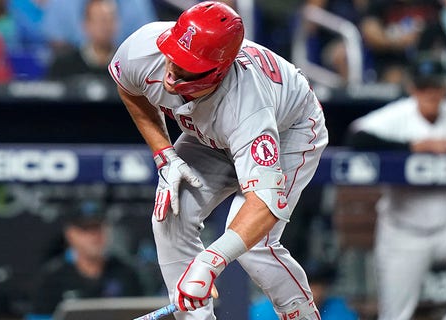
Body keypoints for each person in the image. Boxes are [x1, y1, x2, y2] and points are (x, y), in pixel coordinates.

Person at [108, 2, 329, 319]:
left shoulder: (247, 108)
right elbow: (129, 87)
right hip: (211, 129)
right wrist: (165, 155)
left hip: (288, 127)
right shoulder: (146, 47)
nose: (171, 71)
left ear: (218, 70)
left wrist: (209, 261)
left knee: (255, 246)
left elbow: (264, 205)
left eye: (186, 66)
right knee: (171, 211)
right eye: (173, 54)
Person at [345, 57, 446, 320]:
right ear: (413, 88)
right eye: (423, 86)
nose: (429, 93)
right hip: (404, 232)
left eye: (435, 86)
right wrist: (414, 147)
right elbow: (356, 137)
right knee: (395, 316)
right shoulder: (400, 114)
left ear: (444, 88)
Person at [29, 200, 145, 317]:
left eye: (97, 228)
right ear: (70, 234)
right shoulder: (52, 279)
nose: (93, 236)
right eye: (85, 229)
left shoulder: (126, 274)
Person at [359, 0, 441, 84]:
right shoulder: (380, 3)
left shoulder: (430, 3)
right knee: (395, 76)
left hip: (427, 58)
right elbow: (370, 33)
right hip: (390, 61)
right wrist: (397, 41)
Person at [249, 261, 359, 320]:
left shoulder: (340, 308)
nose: (314, 291)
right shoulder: (264, 309)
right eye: (308, 284)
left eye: (318, 285)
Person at [46, 0, 118, 80]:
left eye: (111, 20)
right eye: (101, 20)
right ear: (86, 24)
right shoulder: (64, 65)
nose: (106, 27)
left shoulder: (126, 65)